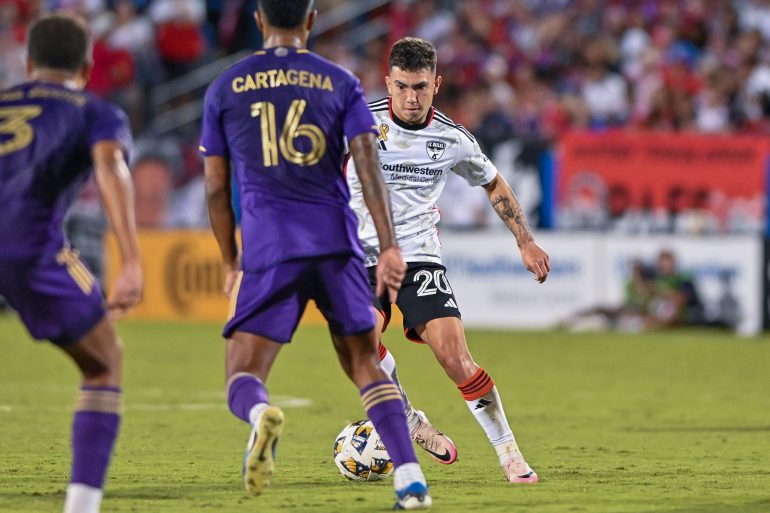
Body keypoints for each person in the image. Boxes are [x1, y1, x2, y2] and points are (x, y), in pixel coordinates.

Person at [200, 1, 431, 509]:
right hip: (336, 245)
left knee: (243, 372)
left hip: (270, 247)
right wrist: (390, 246)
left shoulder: (225, 86)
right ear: (310, 21)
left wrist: (230, 258)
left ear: (259, 21)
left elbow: (216, 191)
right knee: (366, 366)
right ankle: (411, 479)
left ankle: (261, 416)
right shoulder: (341, 82)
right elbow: (368, 165)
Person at [347, 37, 551, 483]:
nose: (411, 97)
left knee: (455, 357)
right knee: (359, 340)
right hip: (359, 254)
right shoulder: (358, 123)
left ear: (436, 84)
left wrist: (525, 241)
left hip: (418, 255)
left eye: (420, 86)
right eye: (401, 86)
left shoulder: (452, 139)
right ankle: (407, 417)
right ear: (388, 82)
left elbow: (494, 182)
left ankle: (509, 454)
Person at [0, 13, 143, 513]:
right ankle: (81, 507)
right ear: (86, 66)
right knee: (105, 362)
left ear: (29, 61)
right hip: (26, 246)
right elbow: (111, 167)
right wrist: (130, 258)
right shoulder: (94, 111)